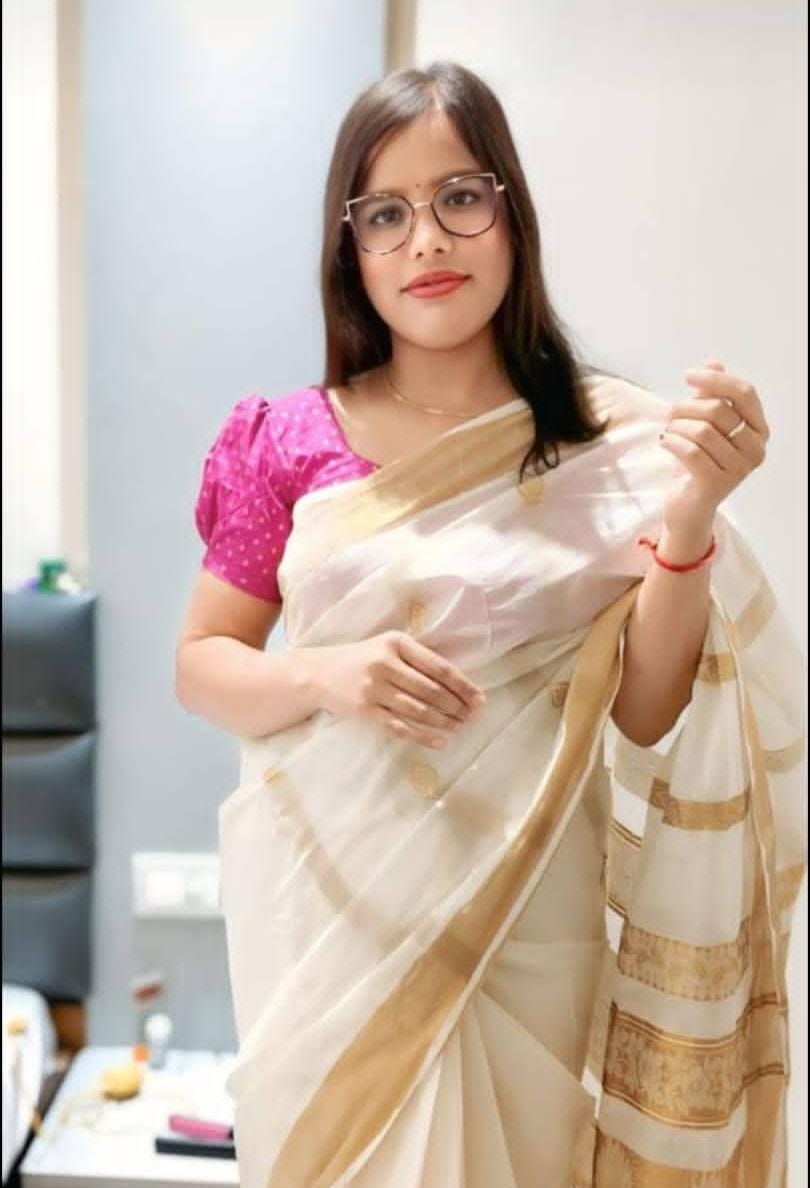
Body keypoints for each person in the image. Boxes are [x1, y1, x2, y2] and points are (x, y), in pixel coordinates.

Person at [175, 61, 805, 1188]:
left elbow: (647, 710)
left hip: (530, 925)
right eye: (387, 213)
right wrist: (328, 676)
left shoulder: (603, 450)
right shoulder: (287, 440)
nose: (427, 240)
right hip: (336, 932)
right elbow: (202, 664)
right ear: (351, 248)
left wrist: (691, 516)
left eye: (460, 198)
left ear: (512, 215)